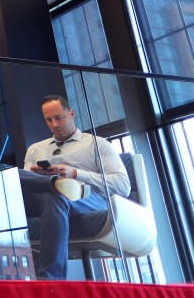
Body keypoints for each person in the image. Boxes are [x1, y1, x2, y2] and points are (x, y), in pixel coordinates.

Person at [19, 94, 131, 280]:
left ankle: (50, 281)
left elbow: (123, 185)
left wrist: (75, 174)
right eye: (49, 120)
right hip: (46, 196)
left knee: (55, 196)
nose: (54, 124)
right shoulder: (35, 149)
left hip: (87, 197)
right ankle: (54, 184)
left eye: (59, 117)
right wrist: (40, 176)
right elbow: (24, 183)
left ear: (71, 113)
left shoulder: (97, 144)